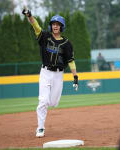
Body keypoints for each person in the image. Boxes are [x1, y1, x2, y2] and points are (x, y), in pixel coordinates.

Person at [22, 9, 79, 138]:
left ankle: (48, 104)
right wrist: (29, 16)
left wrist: (75, 76)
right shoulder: (45, 37)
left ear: (61, 27)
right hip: (45, 72)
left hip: (59, 75)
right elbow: (35, 25)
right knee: (43, 101)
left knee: (52, 102)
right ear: (51, 26)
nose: (55, 26)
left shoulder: (67, 44)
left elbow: (71, 61)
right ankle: (40, 128)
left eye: (58, 24)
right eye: (53, 24)